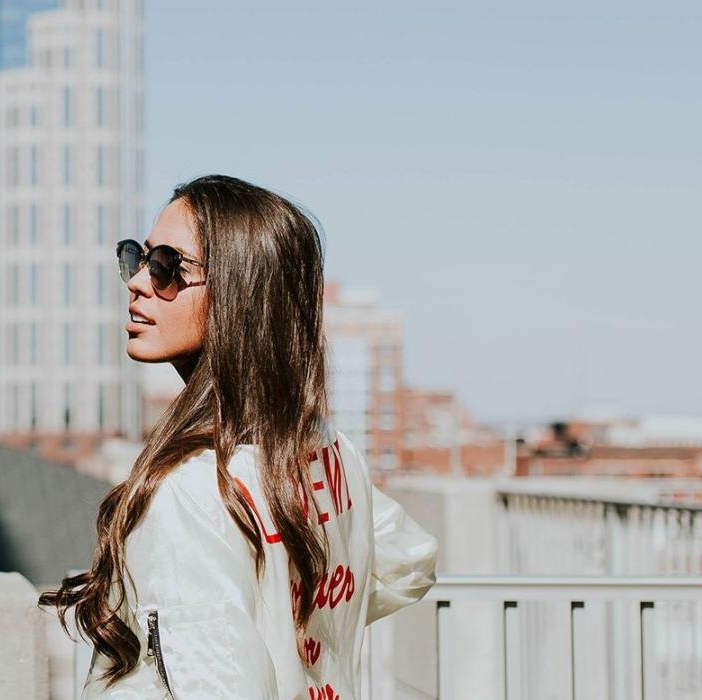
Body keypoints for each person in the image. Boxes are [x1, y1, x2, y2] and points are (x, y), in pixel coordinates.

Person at [41, 175, 439, 699]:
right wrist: (294, 629)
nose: (138, 281)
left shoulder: (191, 489)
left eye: (166, 266)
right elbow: (409, 558)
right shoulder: (326, 448)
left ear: (240, 294)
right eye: (138, 258)